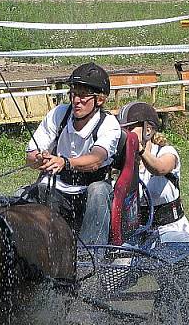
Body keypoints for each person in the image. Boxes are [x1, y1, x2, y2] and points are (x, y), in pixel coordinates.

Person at [25, 62, 121, 245]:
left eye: (83, 95)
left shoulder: (109, 124)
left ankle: (91, 255)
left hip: (91, 188)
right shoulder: (59, 114)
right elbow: (30, 156)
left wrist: (65, 162)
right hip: (58, 187)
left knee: (98, 191)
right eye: (74, 94)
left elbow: (96, 159)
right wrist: (39, 158)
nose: (76, 100)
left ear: (99, 100)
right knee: (31, 192)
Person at [118, 101, 189, 244]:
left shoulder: (166, 152)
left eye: (130, 128)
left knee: (175, 255)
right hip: (136, 233)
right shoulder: (121, 161)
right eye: (123, 129)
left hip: (171, 230)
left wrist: (140, 150)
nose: (125, 133)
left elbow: (160, 168)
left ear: (148, 130)